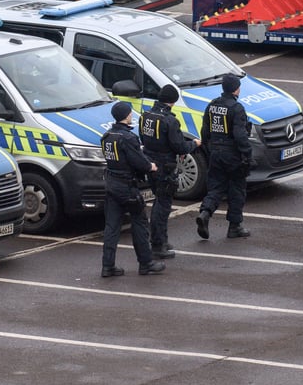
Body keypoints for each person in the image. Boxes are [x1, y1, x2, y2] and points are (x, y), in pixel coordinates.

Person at [100, 101, 165, 277]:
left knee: (112, 227)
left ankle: (108, 266)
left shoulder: (107, 136)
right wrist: (151, 166)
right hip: (127, 186)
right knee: (139, 223)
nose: (131, 116)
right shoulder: (128, 138)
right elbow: (138, 162)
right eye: (130, 113)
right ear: (126, 115)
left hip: (111, 184)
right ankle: (146, 263)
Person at [139, 84, 200, 260]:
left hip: (150, 163)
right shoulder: (170, 121)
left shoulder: (146, 116)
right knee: (162, 206)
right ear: (172, 101)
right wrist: (194, 144)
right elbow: (179, 146)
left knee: (159, 201)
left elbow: (143, 139)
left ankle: (162, 240)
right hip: (165, 166)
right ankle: (158, 244)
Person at [196, 74, 252, 241]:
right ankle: (235, 226)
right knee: (237, 189)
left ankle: (205, 213)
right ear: (236, 89)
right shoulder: (237, 108)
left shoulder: (212, 105)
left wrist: (209, 148)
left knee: (216, 187)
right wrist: (247, 154)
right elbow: (240, 135)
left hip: (215, 152)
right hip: (232, 154)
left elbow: (205, 130)